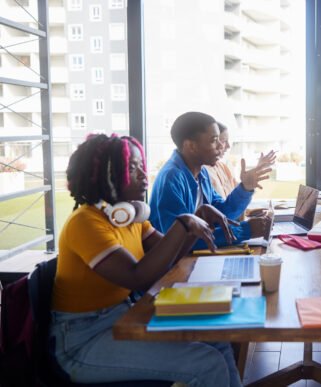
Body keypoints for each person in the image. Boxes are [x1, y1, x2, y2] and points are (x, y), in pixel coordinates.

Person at [50, 133, 242, 386]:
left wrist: (196, 217)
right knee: (206, 364)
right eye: (132, 168)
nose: (143, 174)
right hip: (83, 340)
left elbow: (170, 255)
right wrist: (184, 222)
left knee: (217, 339)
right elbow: (138, 277)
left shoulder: (128, 218)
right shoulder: (85, 222)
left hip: (124, 318)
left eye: (142, 166)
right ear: (107, 176)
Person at [149, 112, 271, 249]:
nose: (221, 146)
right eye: (214, 140)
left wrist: (245, 188)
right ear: (191, 146)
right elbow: (180, 240)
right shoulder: (171, 179)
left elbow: (222, 214)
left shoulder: (201, 173)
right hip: (174, 266)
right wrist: (246, 230)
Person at [206, 121, 276, 199]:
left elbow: (238, 193)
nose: (228, 146)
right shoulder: (202, 172)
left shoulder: (222, 167)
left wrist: (258, 169)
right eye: (224, 141)